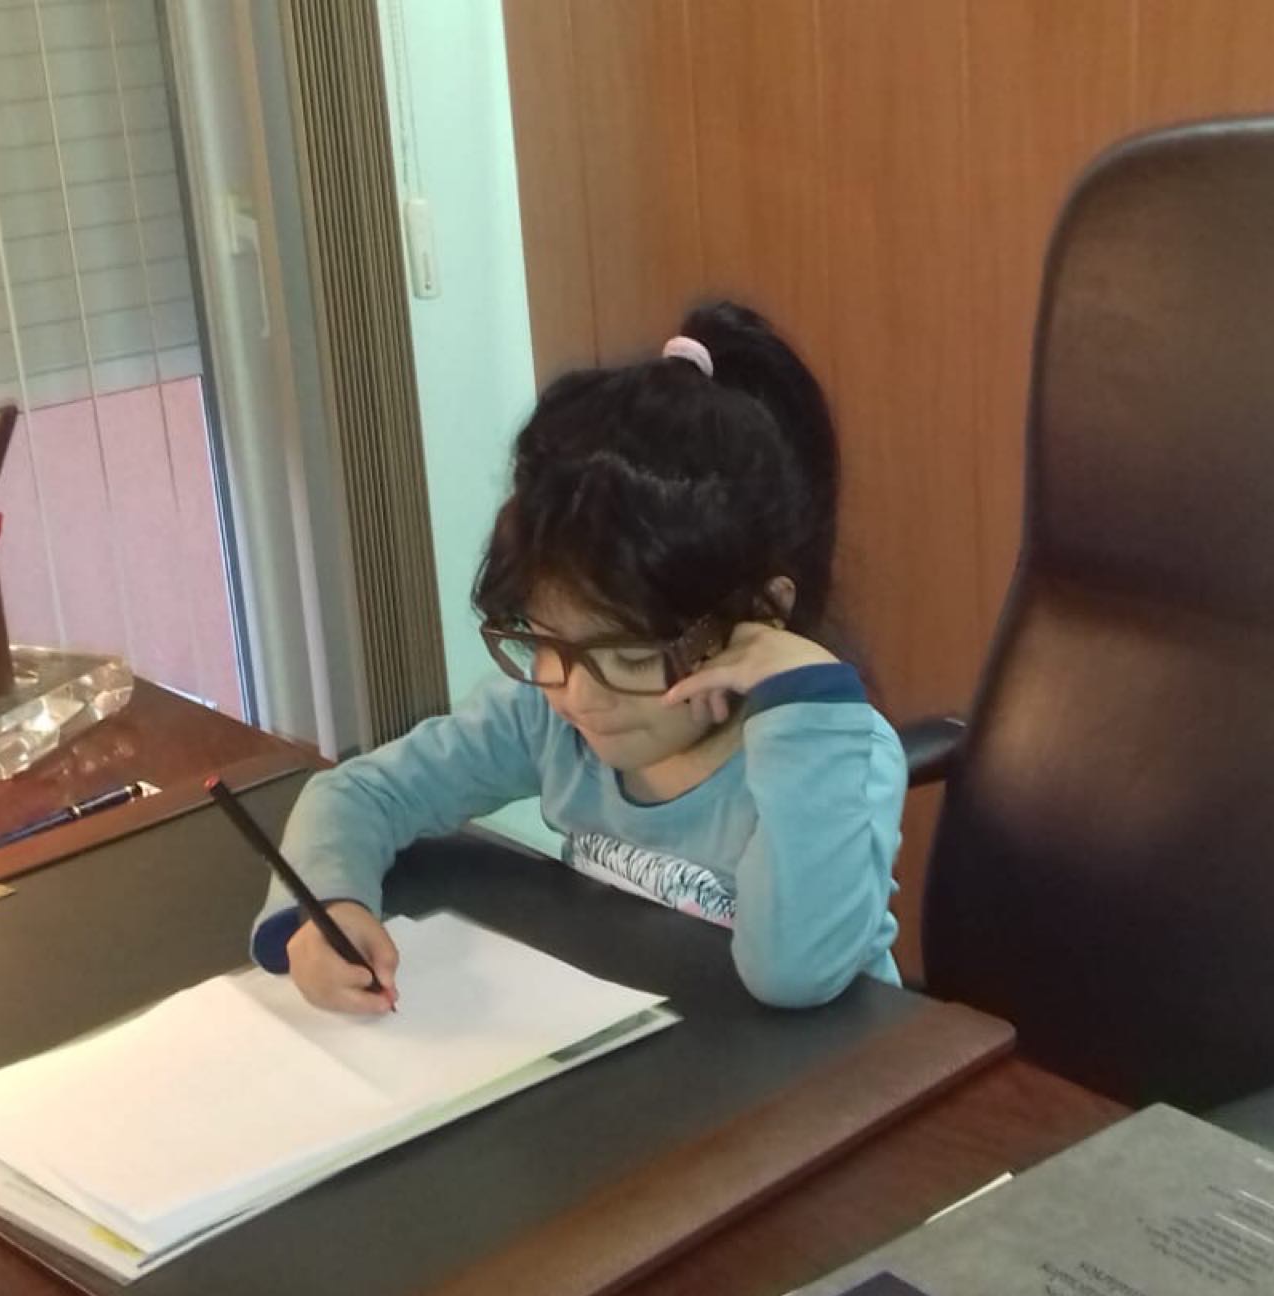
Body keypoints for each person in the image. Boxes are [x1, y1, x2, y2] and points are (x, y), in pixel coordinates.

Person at [252, 301, 907, 1012]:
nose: (578, 694)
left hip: (843, 1068)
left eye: (629, 655)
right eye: (543, 640)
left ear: (760, 616)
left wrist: (807, 710)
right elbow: (362, 794)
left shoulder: (833, 756)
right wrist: (329, 905)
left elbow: (795, 974)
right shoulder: (546, 717)